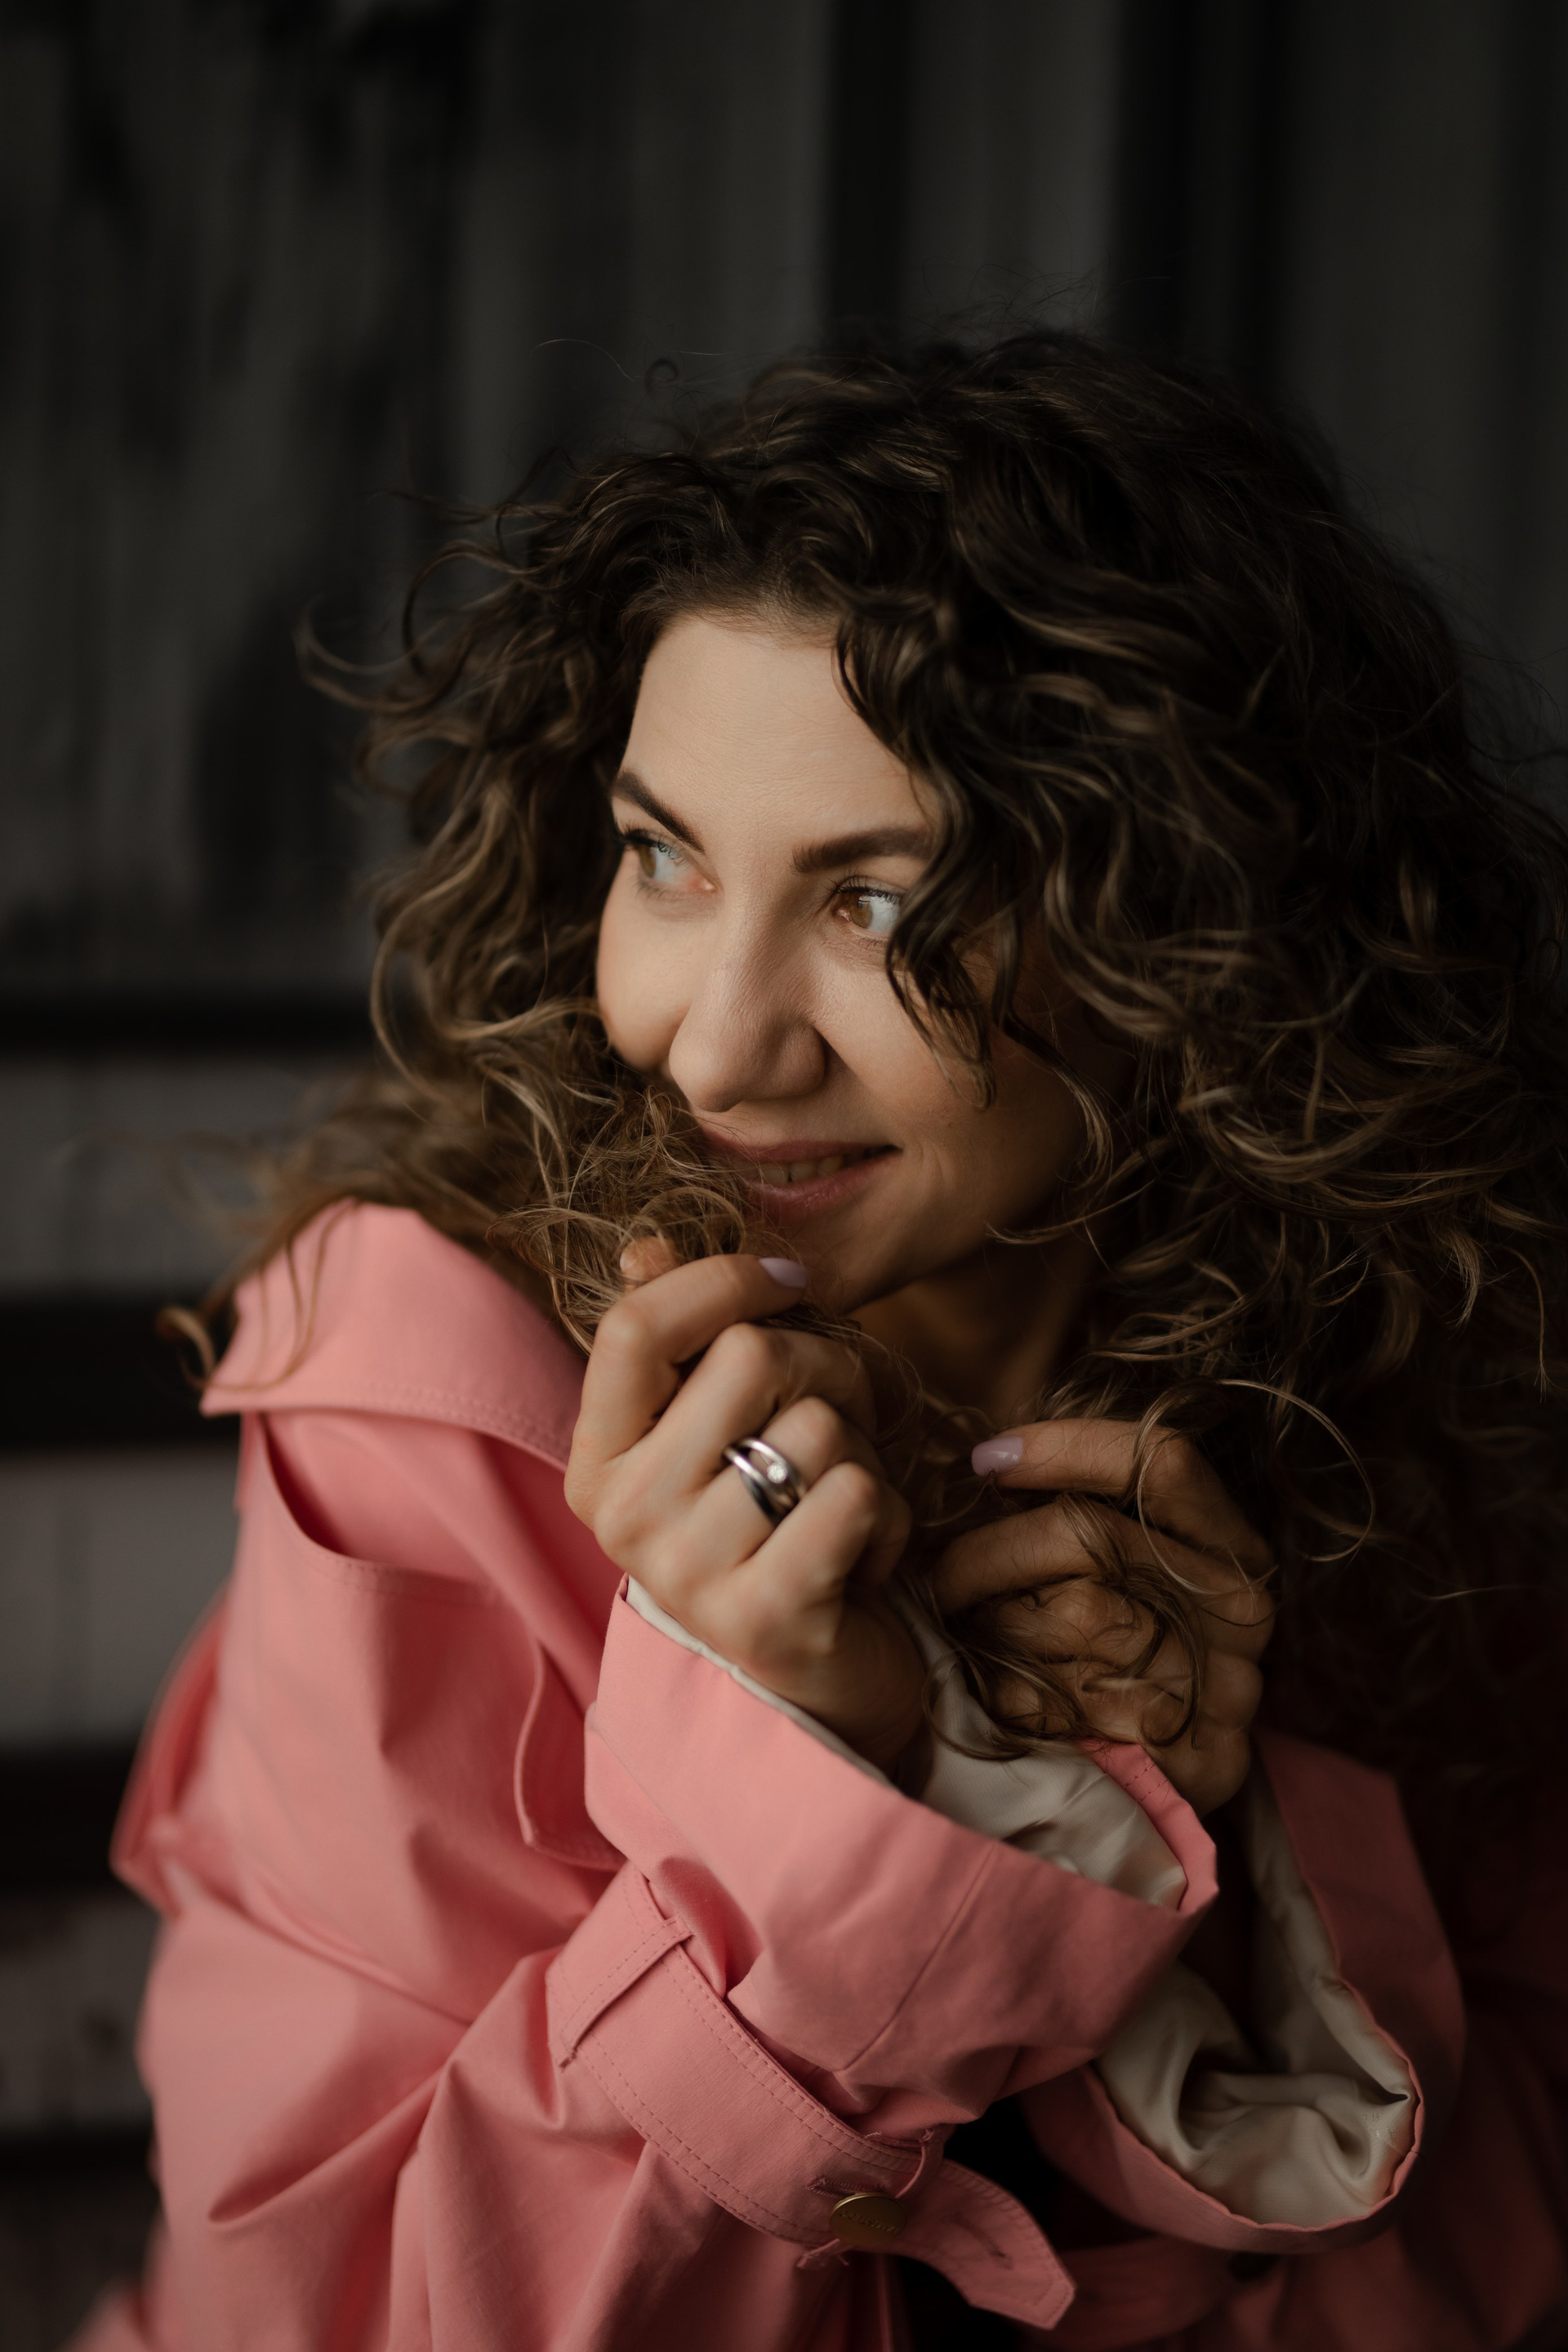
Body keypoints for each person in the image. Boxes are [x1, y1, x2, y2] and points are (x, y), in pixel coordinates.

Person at [75, 336, 1568, 2352]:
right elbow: (340, 2318)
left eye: (879, 905)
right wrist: (818, 1798)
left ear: (1194, 935)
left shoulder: (1413, 1398)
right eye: (663, 858)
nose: (714, 1048)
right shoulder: (433, 1412)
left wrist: (1205, 1859)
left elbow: (1508, 2243)